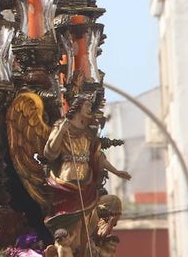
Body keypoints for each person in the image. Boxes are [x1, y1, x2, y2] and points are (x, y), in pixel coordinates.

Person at [42, 94, 130, 251]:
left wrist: (116, 171)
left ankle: (83, 250)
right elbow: (50, 153)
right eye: (88, 106)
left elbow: (97, 157)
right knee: (72, 224)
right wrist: (61, 131)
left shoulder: (88, 133)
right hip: (68, 179)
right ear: (78, 107)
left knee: (86, 222)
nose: (90, 110)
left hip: (87, 182)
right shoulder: (62, 125)